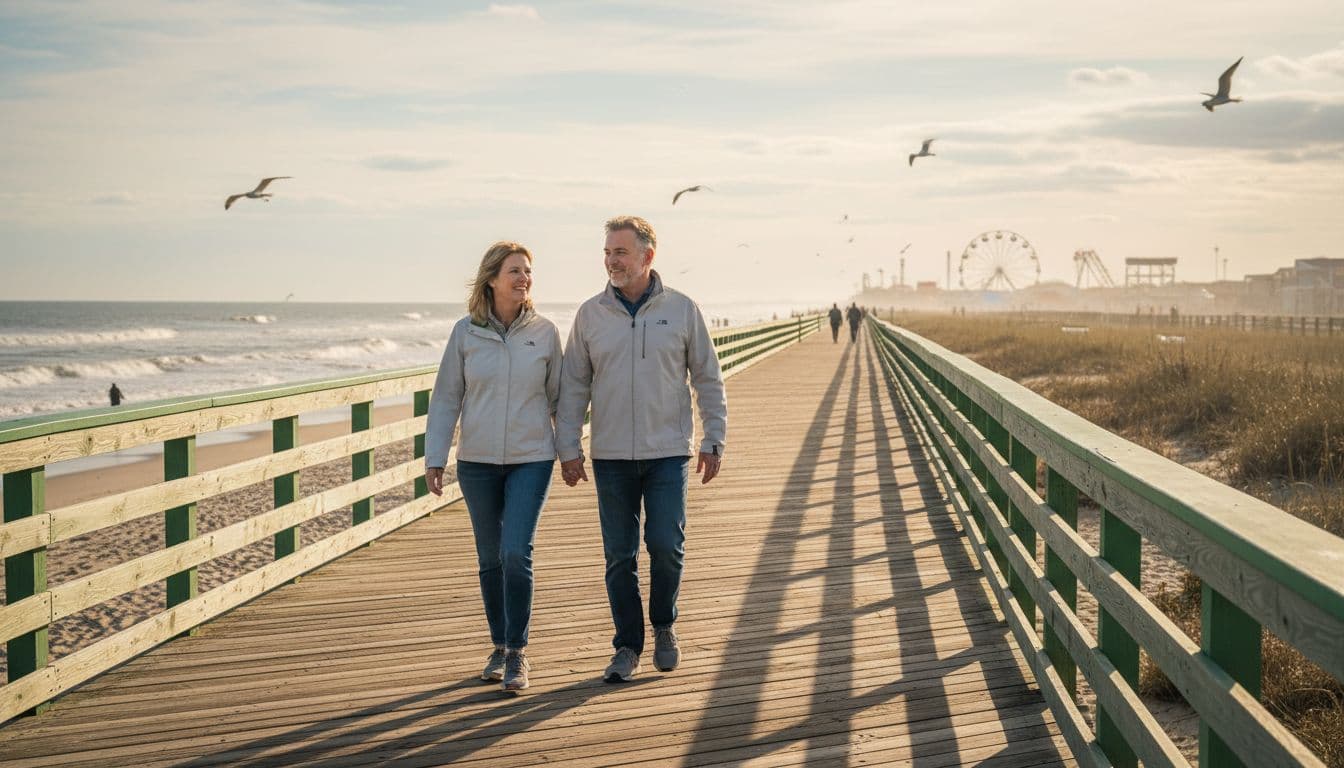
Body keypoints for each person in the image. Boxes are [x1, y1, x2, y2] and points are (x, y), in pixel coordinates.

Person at [557, 215, 727, 683]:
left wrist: (714, 437)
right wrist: (568, 446)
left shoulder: (683, 309)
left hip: (668, 450)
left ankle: (665, 625)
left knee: (666, 545)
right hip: (610, 455)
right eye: (608, 252)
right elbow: (574, 385)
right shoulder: (591, 314)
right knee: (619, 555)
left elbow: (707, 378)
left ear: (647, 256)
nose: (612, 261)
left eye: (621, 252)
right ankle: (628, 646)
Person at [424, 241, 563, 693]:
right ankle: (500, 646)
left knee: (514, 552)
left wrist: (570, 452)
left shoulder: (544, 333)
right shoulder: (465, 333)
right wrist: (435, 457)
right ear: (491, 279)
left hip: (531, 458)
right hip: (477, 462)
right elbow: (446, 397)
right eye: (514, 271)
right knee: (489, 559)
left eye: (527, 271)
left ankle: (519, 653)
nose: (524, 278)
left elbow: (561, 397)